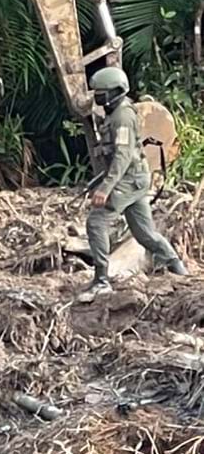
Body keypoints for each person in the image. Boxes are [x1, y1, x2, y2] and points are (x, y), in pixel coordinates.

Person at [76, 67, 188, 303]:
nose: (98, 97)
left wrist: (106, 188)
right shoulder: (115, 112)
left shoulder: (123, 117)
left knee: (96, 221)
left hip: (129, 179)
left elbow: (122, 157)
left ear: (116, 92)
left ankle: (101, 281)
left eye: (102, 93)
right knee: (144, 232)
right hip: (135, 179)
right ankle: (177, 266)